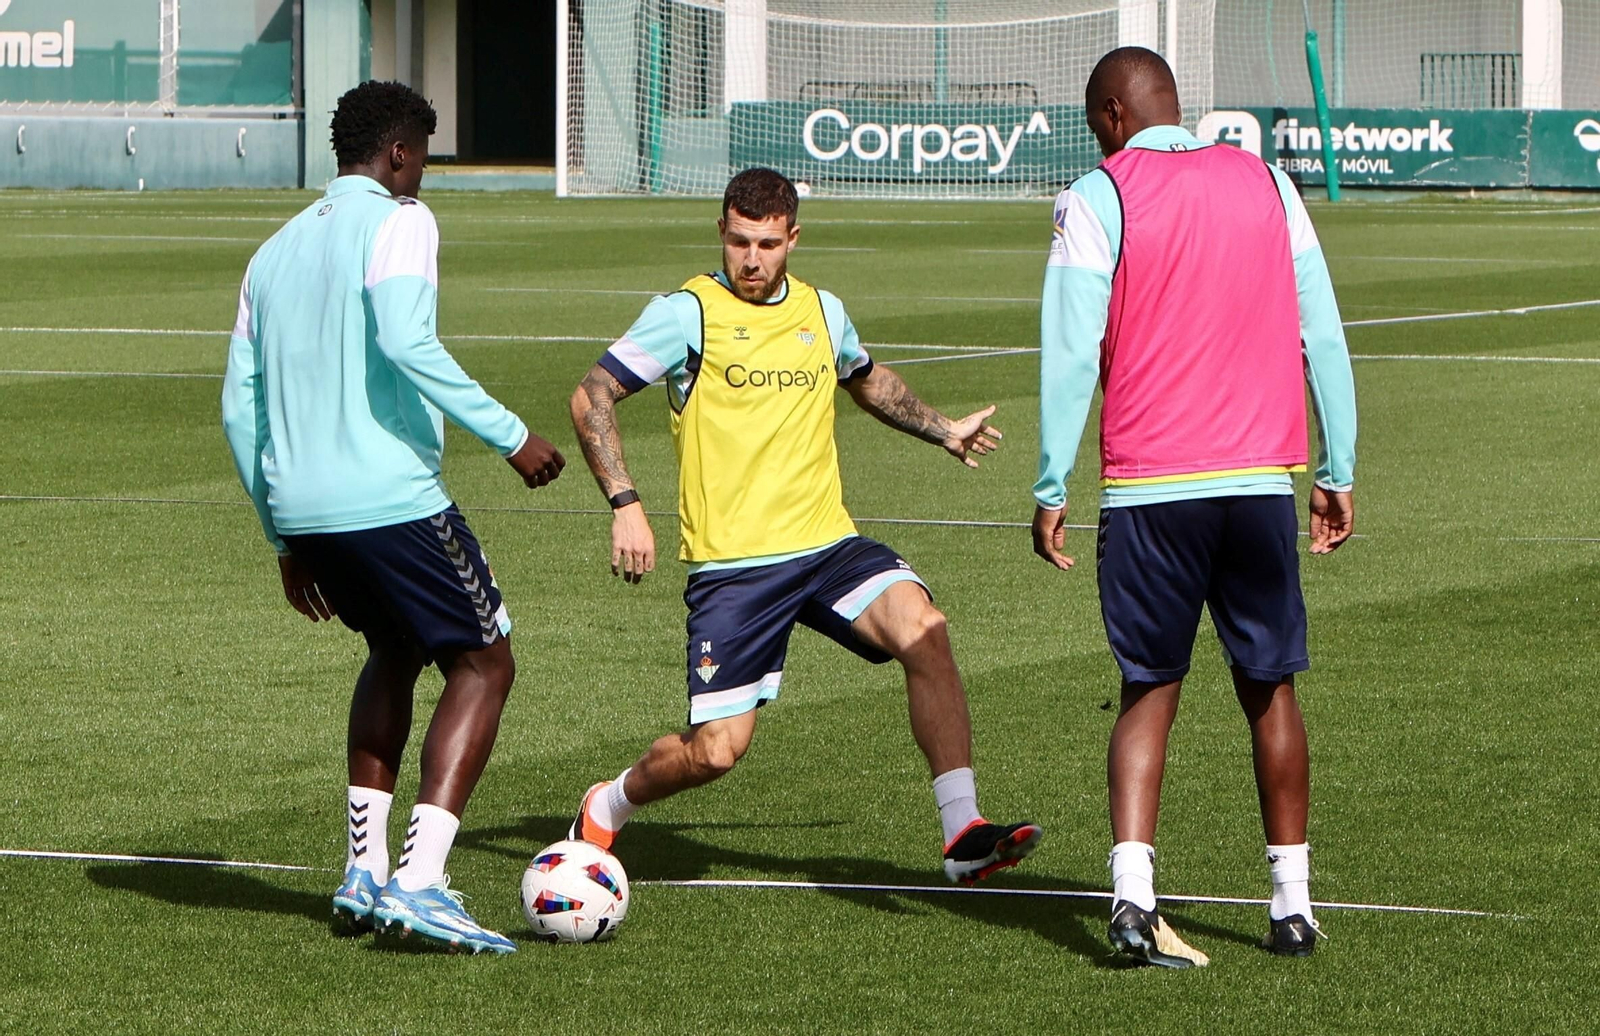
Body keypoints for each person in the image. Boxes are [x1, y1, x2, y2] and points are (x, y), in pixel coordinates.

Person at [564, 167, 1041, 883]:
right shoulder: (687, 313)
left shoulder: (823, 311)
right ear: (720, 233)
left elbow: (866, 376)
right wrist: (625, 502)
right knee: (716, 751)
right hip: (735, 567)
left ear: (794, 237)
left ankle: (963, 833)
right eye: (737, 242)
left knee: (925, 630)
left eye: (766, 244)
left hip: (827, 546)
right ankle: (609, 802)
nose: (750, 260)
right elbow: (591, 394)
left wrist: (942, 429)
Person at [221, 81, 565, 955]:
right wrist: (513, 435)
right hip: (389, 498)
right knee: (485, 663)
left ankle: (363, 871)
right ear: (401, 154)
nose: (423, 176)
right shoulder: (401, 219)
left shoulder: (272, 253)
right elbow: (408, 341)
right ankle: (418, 882)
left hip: (306, 506)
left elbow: (239, 412)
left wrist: (283, 532)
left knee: (395, 647)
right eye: (422, 159)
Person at [1030, 48, 1357, 967]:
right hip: (1259, 484)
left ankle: (1133, 898)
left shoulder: (1097, 194)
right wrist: (1337, 466)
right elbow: (1321, 330)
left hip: (1150, 490)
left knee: (1149, 687)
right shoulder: (1269, 183)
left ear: (1109, 114)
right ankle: (1292, 906)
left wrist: (1051, 485)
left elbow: (1068, 351)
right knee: (1270, 688)